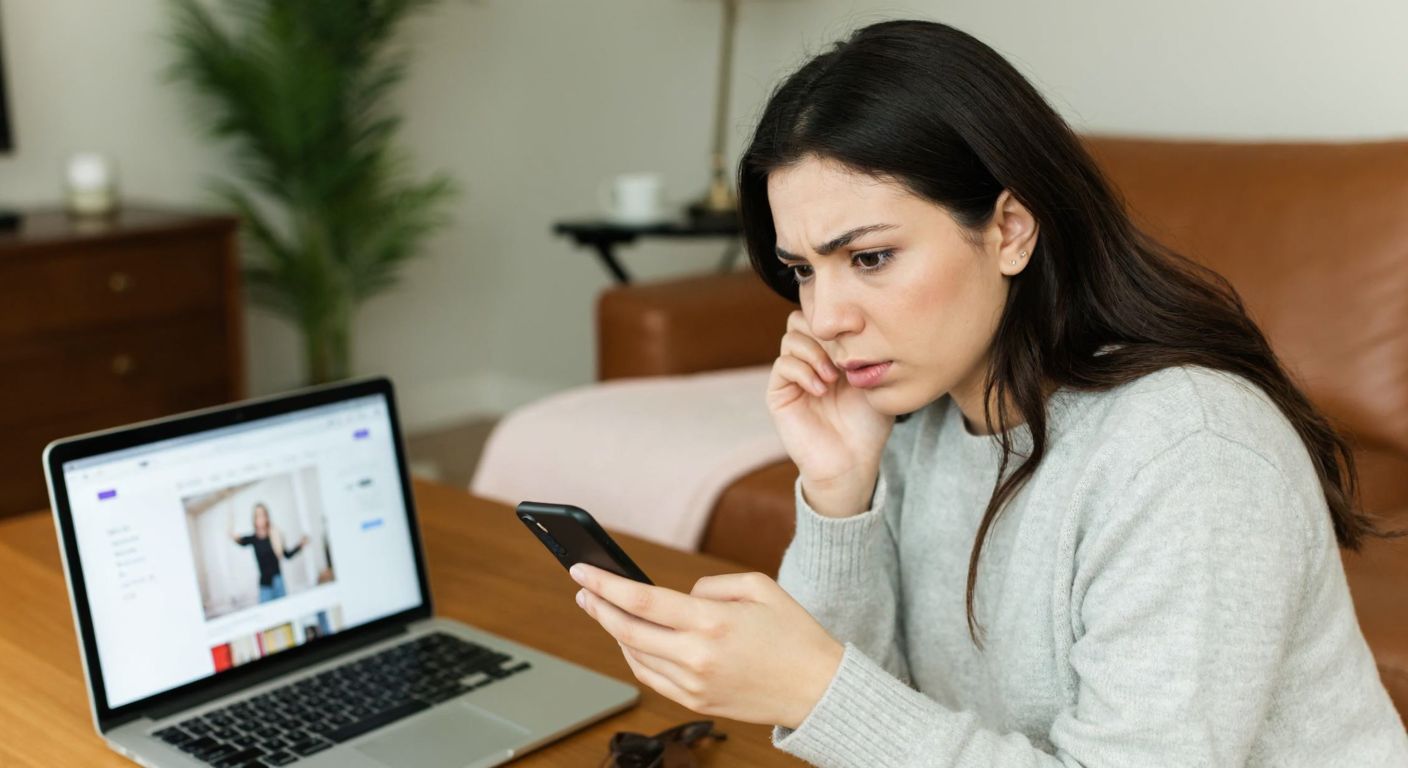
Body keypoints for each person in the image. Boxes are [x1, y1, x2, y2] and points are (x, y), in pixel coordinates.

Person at [566, 19, 1408, 767]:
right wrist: (837, 495)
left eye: (869, 258)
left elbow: (843, 706)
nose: (823, 318)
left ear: (1009, 229)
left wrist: (814, 687)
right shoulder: (921, 417)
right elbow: (874, 733)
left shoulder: (1193, 455)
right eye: (801, 271)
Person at [228, 502, 309, 604]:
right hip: (265, 584)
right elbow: (239, 540)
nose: (260, 518)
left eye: (262, 514)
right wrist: (230, 528)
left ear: (267, 517)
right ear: (254, 519)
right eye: (257, 515)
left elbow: (287, 555)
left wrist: (300, 545)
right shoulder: (253, 539)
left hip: (278, 582)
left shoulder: (275, 536)